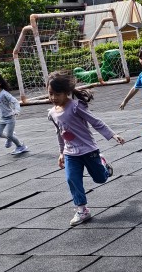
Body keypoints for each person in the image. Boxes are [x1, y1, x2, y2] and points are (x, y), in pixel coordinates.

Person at [48, 71, 126, 226]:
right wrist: (61, 152)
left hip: (88, 150)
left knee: (100, 179)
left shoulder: (76, 107)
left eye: (57, 94)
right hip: (71, 153)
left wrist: (113, 135)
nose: (53, 98)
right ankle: (82, 210)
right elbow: (60, 133)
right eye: (50, 94)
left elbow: (96, 122)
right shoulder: (52, 113)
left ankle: (103, 164)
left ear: (67, 92)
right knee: (72, 179)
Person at [0, 72, 28, 155]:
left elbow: (15, 101)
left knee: (10, 135)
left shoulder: (4, 94)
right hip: (1, 117)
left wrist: (17, 111)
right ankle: (9, 138)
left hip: (10, 117)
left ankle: (20, 146)